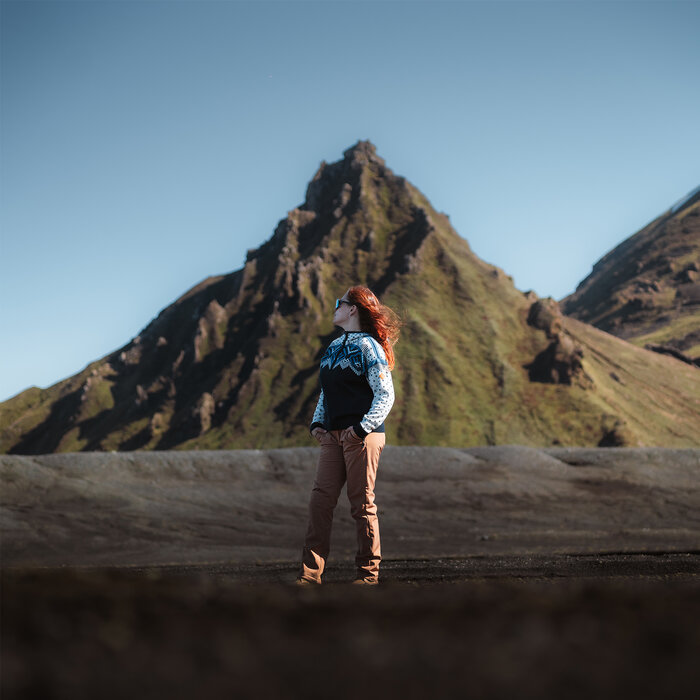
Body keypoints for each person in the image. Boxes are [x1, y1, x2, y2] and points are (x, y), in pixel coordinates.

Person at [296, 286, 401, 585]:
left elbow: (386, 394)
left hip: (362, 436)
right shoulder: (332, 348)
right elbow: (326, 394)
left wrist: (361, 428)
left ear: (353, 309)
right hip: (332, 435)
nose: (335, 307)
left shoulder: (369, 347)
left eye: (339, 303)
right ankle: (309, 576)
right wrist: (317, 425)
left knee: (362, 503)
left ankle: (368, 576)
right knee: (320, 501)